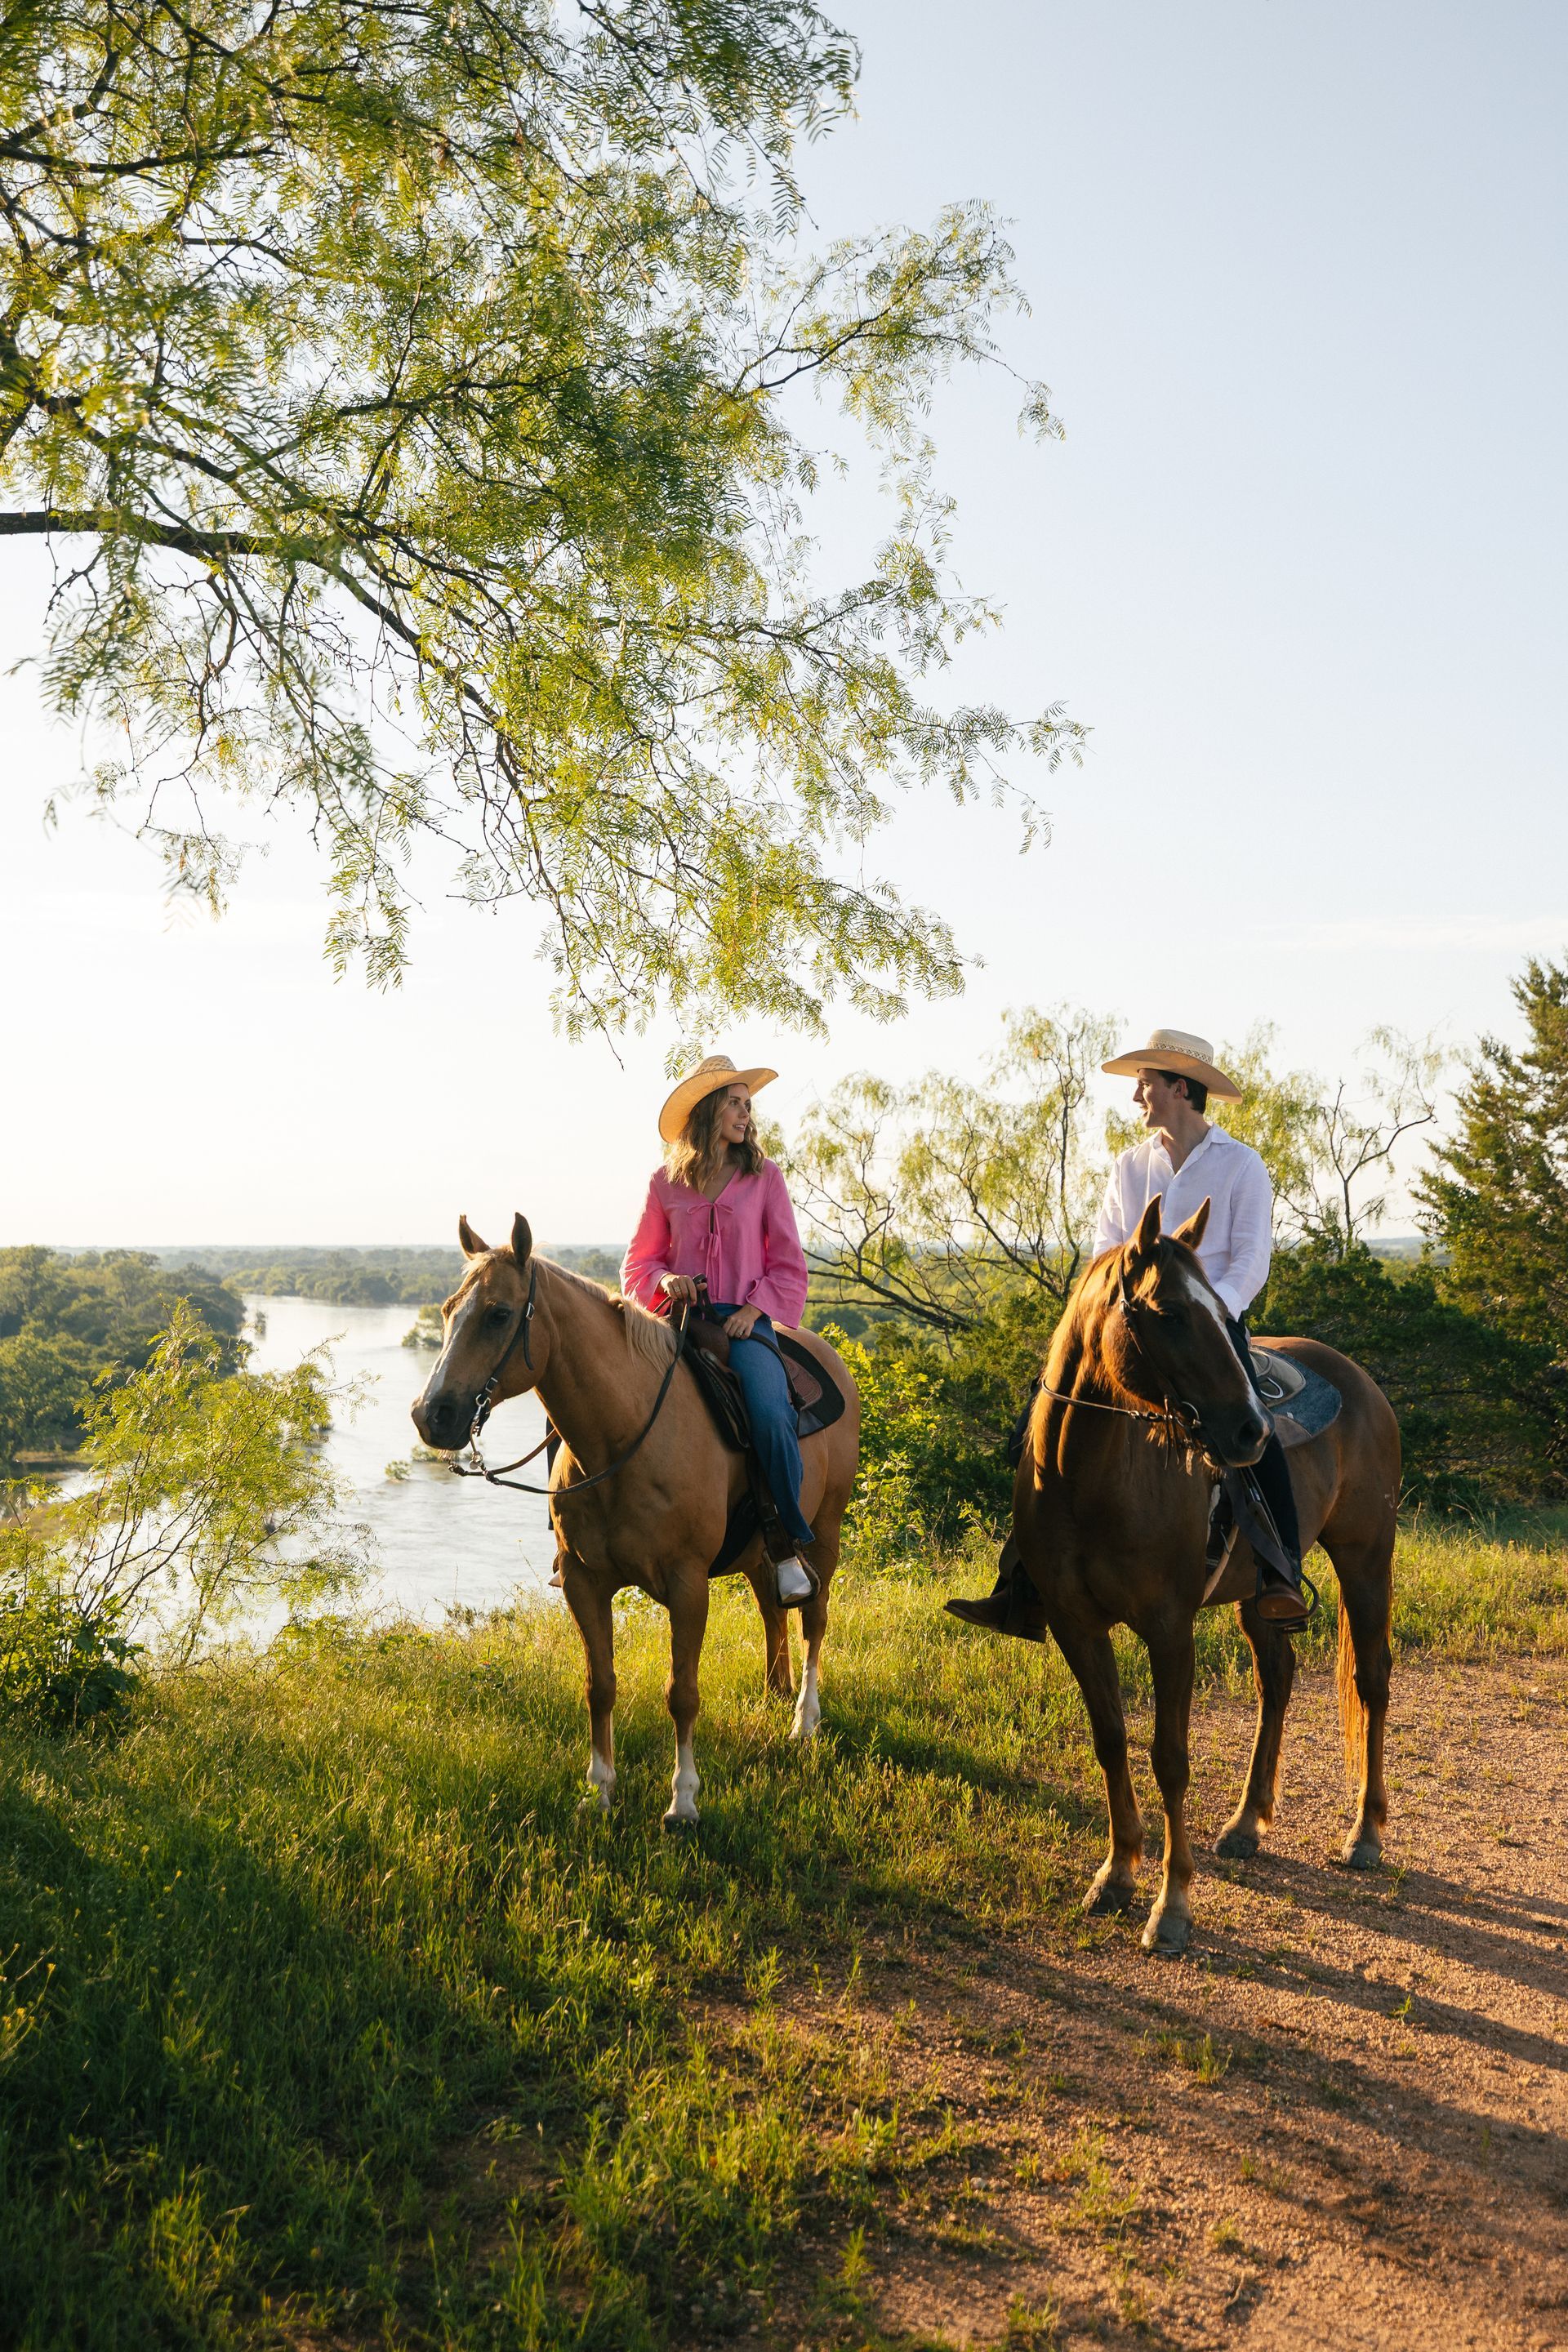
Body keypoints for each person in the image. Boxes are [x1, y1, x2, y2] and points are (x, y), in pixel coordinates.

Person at [947, 1024, 1311, 1639]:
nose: (1135, 1095)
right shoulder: (1131, 1166)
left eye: (1144, 1083)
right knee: (1032, 1432)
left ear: (1178, 1087)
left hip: (1211, 1327)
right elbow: (1103, 1251)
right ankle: (1023, 1584)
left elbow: (1251, 1259)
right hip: (1130, 1328)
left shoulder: (1241, 1164)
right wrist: (1109, 1316)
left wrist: (1205, 1313)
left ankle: (1280, 1572)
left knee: (1255, 1434)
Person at [621, 1053, 817, 1609]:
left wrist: (754, 1312)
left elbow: (787, 1263)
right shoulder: (664, 1183)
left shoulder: (764, 1178)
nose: (745, 1113)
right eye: (734, 1102)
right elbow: (639, 1264)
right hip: (676, 1320)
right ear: (707, 1112)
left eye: (747, 1104)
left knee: (772, 1414)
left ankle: (784, 1546)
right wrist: (668, 1279)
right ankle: (571, 1537)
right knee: (595, 1388)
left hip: (744, 1321)